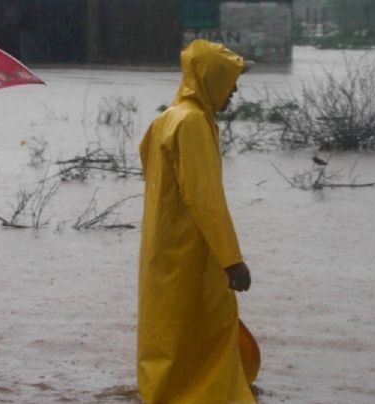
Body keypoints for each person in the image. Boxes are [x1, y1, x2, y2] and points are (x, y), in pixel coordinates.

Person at [137, 39, 256, 403]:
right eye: (230, 78)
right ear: (211, 78)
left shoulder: (167, 118)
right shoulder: (191, 123)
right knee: (206, 324)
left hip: (162, 247)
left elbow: (147, 163)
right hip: (191, 250)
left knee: (169, 330)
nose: (234, 88)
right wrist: (231, 259)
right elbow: (206, 199)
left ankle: (163, 391)